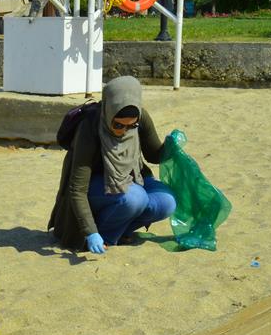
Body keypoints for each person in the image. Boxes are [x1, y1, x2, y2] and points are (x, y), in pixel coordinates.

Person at [48, 76, 177, 254]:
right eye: (118, 125)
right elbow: (77, 189)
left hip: (131, 179)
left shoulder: (140, 116)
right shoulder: (89, 127)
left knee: (166, 202)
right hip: (93, 187)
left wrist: (171, 147)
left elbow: (154, 155)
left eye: (132, 126)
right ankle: (103, 237)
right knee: (134, 198)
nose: (124, 130)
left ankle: (119, 230)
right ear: (108, 112)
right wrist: (90, 232)